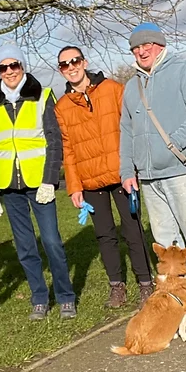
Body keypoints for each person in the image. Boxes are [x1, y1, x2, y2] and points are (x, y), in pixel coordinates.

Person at [119, 23, 186, 318]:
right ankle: (173, 294)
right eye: (136, 48)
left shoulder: (184, 70)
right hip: (148, 176)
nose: (141, 51)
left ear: (160, 45)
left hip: (179, 169)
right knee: (166, 242)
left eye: (147, 45)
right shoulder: (132, 86)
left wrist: (174, 143)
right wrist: (127, 169)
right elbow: (126, 130)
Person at [54, 46, 153, 308]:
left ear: (84, 62)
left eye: (74, 61)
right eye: (65, 64)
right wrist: (74, 187)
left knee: (133, 229)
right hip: (90, 182)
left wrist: (131, 168)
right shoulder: (62, 107)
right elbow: (68, 150)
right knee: (105, 235)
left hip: (122, 175)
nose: (71, 67)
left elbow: (132, 127)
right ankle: (117, 286)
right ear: (61, 70)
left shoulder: (112, 89)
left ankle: (145, 283)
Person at [0, 55, 76, 320]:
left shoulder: (43, 96)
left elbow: (54, 141)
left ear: (22, 67)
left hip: (39, 183)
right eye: (3, 67)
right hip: (9, 186)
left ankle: (66, 296)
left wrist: (50, 179)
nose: (9, 71)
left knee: (52, 241)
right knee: (25, 246)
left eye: (14, 65)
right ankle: (39, 298)